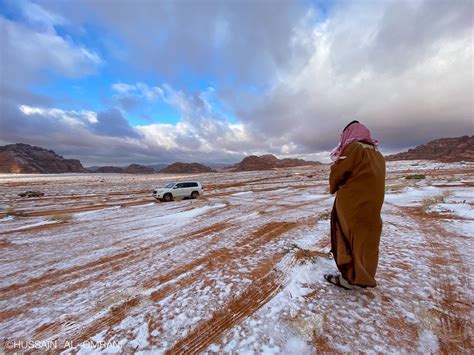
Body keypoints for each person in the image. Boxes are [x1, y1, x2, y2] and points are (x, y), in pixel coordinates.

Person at [324, 120, 385, 289]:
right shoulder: (377, 153)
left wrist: (334, 182)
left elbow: (339, 173)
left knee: (346, 235)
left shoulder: (354, 149)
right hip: (372, 205)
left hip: (352, 203)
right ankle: (364, 276)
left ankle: (348, 277)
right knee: (367, 239)